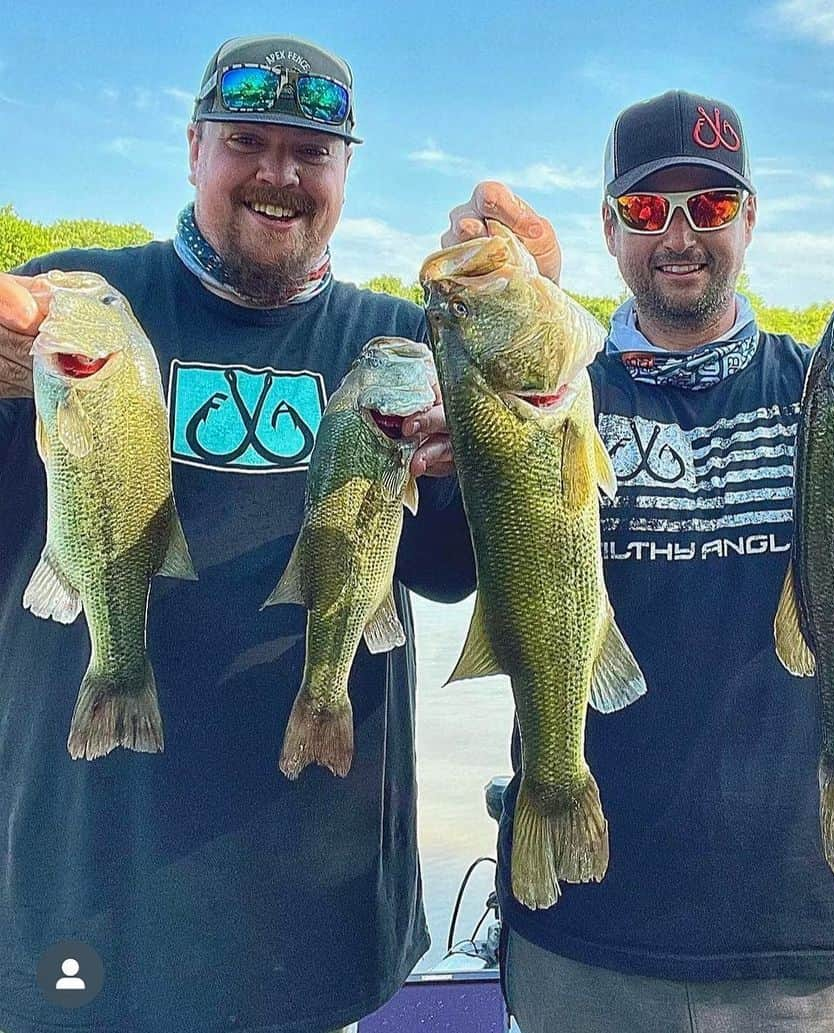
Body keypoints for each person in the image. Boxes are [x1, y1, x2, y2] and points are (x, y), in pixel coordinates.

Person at [439, 90, 834, 1032]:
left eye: (713, 206)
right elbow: (448, 563)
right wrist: (474, 314)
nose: (681, 235)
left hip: (823, 948)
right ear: (610, 230)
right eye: (649, 211)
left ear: (751, 219)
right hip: (588, 935)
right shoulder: (544, 396)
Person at [0, 35, 477, 1033]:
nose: (278, 175)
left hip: (315, 917)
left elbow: (453, 572)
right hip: (82, 897)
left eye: (311, 151)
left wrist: (485, 440)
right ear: (192, 149)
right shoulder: (69, 303)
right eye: (247, 142)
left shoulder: (402, 345)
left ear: (346, 170)